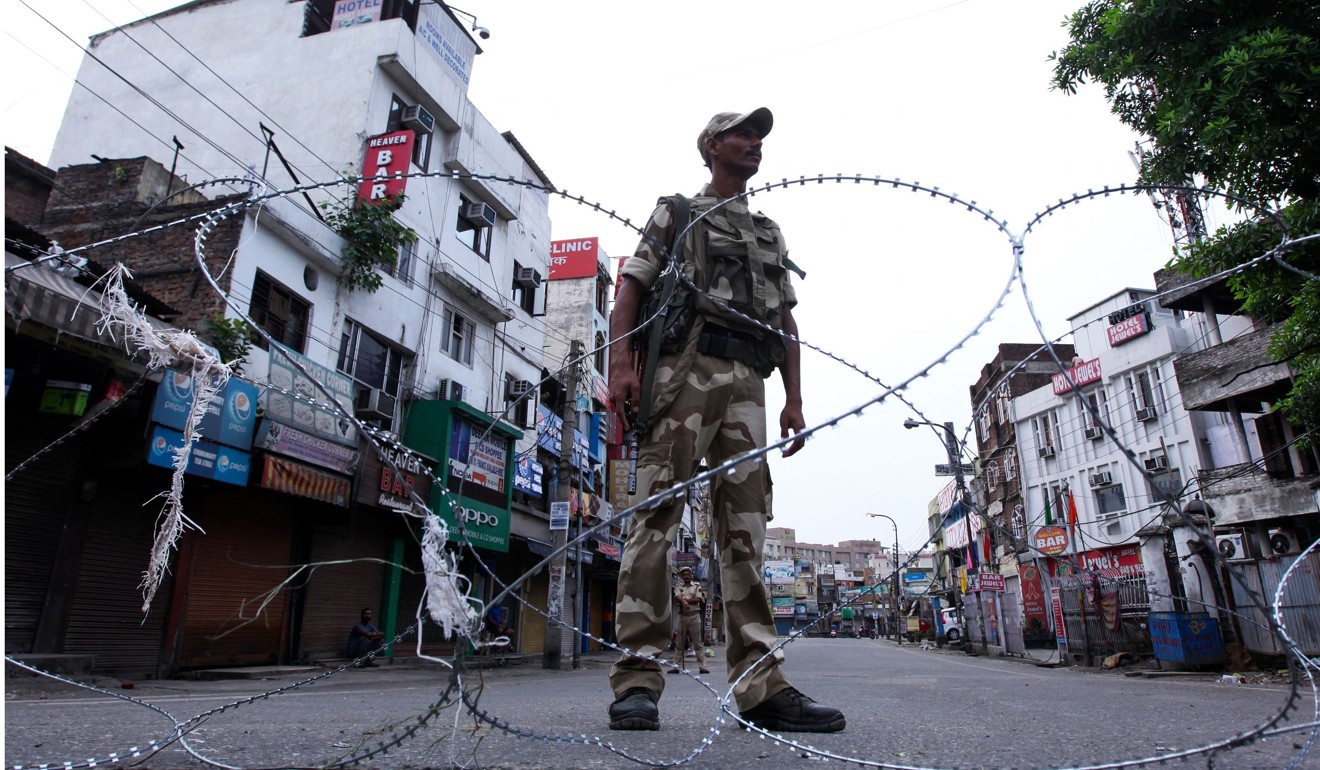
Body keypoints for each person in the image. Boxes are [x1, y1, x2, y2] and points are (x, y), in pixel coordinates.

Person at [605, 108, 845, 733]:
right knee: (656, 514)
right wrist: (621, 372)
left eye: (760, 137)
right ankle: (637, 681)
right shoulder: (680, 211)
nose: (754, 144)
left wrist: (794, 398)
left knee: (745, 529)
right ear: (711, 146)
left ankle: (762, 686)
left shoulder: (768, 230)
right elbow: (630, 291)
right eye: (742, 134)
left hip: (748, 384)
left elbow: (786, 323)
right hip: (683, 370)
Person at [671, 566, 709, 674]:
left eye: (688, 574)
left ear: (691, 575)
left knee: (697, 643)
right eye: (684, 575)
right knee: (679, 643)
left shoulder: (697, 586)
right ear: (682, 576)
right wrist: (684, 602)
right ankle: (676, 666)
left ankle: (703, 667)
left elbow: (697, 599)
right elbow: (677, 597)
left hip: (694, 616)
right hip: (682, 616)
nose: (686, 576)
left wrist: (684, 601)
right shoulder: (678, 586)